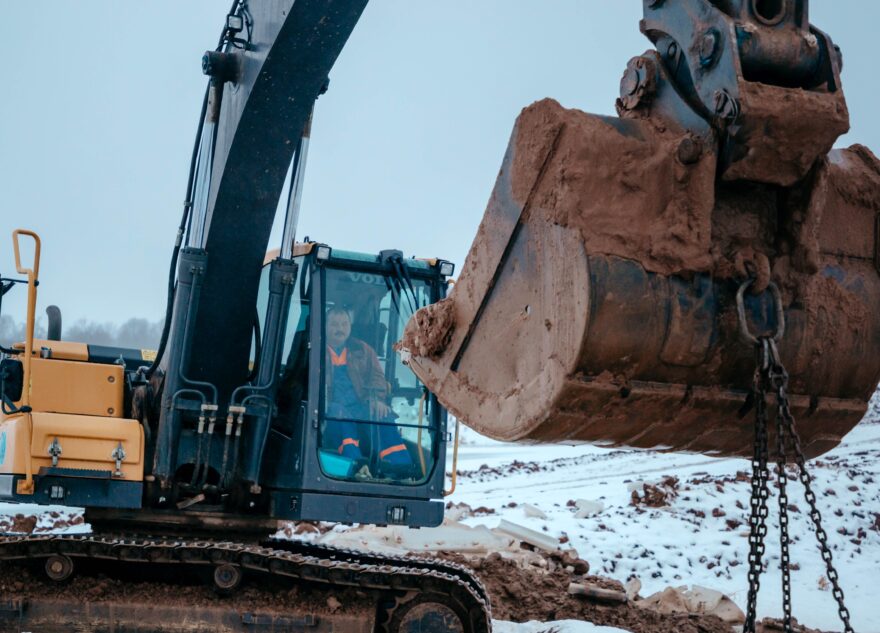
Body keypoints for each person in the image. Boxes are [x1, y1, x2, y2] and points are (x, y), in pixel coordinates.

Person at [323, 307, 413, 476]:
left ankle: (400, 468)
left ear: (350, 326)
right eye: (334, 324)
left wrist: (377, 400)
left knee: (383, 415)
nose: (340, 329)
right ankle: (357, 465)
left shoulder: (363, 350)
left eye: (344, 324)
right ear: (325, 326)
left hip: (360, 405)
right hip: (328, 407)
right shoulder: (316, 350)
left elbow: (377, 377)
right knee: (340, 415)